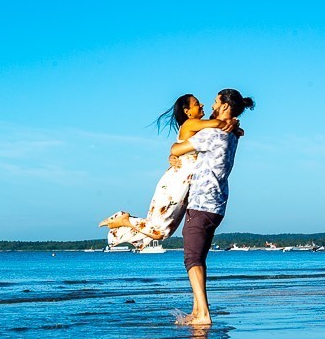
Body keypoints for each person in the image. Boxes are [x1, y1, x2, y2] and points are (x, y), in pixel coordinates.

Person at [98, 94, 240, 251]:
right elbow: (217, 124)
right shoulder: (191, 123)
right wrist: (231, 122)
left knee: (165, 230)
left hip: (187, 184)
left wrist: (234, 126)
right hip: (178, 180)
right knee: (161, 230)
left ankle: (124, 222)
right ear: (187, 111)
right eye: (196, 104)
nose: (202, 105)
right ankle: (125, 220)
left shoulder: (200, 128)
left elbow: (209, 136)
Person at [169, 89, 255, 325]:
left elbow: (177, 149)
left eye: (217, 102)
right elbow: (233, 127)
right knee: (199, 258)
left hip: (201, 202)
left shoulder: (214, 135)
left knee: (192, 259)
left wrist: (172, 155)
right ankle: (197, 311)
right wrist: (231, 123)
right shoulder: (232, 134)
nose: (213, 105)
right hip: (216, 204)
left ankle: (203, 314)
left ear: (226, 106)